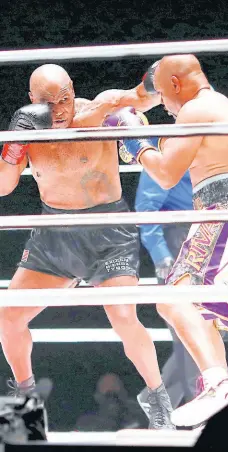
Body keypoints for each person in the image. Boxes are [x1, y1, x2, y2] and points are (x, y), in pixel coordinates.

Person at [0, 63, 177, 430]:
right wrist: (13, 145)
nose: (61, 109)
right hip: (54, 232)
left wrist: (154, 79)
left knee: (124, 318)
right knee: (8, 316)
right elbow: (3, 186)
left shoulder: (97, 110)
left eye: (65, 98)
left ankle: (158, 399)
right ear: (32, 100)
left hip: (107, 232)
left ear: (73, 90)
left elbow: (139, 98)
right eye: (50, 103)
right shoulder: (28, 129)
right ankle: (25, 405)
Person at [112, 54, 228, 427]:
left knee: (172, 299)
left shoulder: (197, 110)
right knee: (199, 308)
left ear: (176, 85)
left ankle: (219, 384)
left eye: (163, 95)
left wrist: (136, 141)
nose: (165, 104)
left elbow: (164, 174)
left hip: (225, 211)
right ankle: (218, 384)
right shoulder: (220, 106)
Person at [135, 169, 201, 415]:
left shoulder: (213, 141)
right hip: (180, 237)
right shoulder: (169, 144)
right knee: (192, 325)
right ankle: (199, 401)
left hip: (209, 233)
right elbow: (146, 203)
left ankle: (159, 399)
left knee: (205, 327)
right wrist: (161, 254)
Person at [75, 373, 147, 431]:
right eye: (108, 395)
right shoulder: (86, 422)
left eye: (117, 395)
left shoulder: (138, 418)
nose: (113, 400)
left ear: (124, 395)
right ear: (97, 397)